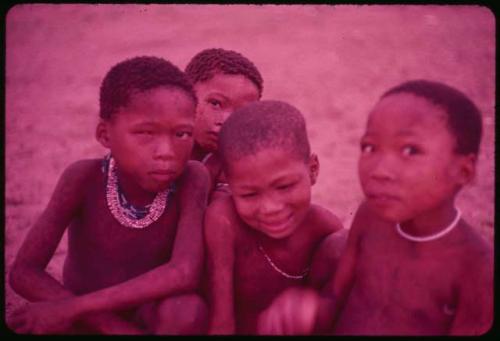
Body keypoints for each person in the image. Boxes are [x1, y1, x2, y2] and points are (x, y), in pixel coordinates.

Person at [258, 80, 493, 336]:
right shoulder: (370, 217)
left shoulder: (475, 265)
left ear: (463, 171)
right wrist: (307, 312)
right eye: (369, 147)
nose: (379, 170)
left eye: (410, 150)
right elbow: (335, 300)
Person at [8, 56, 210, 335]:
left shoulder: (192, 177)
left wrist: (74, 309)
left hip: (142, 315)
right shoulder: (82, 178)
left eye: (182, 134)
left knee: (187, 312)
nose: (166, 151)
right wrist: (104, 323)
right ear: (104, 134)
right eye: (146, 132)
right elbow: (24, 272)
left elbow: (184, 272)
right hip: (85, 319)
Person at [203, 100, 346, 334]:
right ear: (230, 184)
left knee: (342, 245)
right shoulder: (224, 220)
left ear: (312, 169)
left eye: (285, 186)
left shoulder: (324, 227)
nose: (270, 208)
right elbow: (222, 321)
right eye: (249, 194)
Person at [184, 48, 263, 196]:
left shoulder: (234, 167)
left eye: (241, 113)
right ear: (186, 95)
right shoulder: (161, 151)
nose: (226, 121)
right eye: (216, 104)